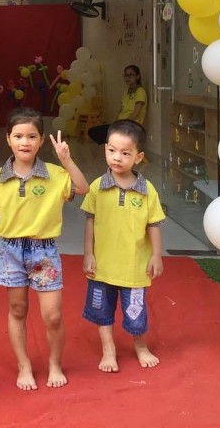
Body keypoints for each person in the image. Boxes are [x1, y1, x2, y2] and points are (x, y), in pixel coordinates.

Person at [0, 107, 90, 391]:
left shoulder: (54, 174)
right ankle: (24, 365)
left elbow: (83, 188)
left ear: (41, 140)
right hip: (11, 251)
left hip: (44, 251)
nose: (24, 142)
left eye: (31, 136)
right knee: (17, 309)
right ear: (8, 139)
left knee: (53, 315)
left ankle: (55, 364)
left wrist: (66, 160)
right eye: (18, 136)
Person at [81, 120, 165, 372]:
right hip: (102, 266)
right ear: (105, 149)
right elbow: (90, 221)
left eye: (125, 153)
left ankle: (140, 346)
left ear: (138, 157)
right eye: (112, 150)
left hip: (134, 267)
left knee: (136, 313)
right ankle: (108, 350)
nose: (117, 157)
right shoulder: (97, 187)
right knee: (102, 310)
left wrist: (157, 255)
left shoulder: (147, 190)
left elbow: (153, 224)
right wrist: (88, 253)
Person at [87, 64, 147, 145]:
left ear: (137, 76)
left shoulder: (140, 92)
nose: (128, 78)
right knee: (93, 131)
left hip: (131, 127)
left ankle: (115, 145)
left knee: (103, 134)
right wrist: (115, 123)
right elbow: (121, 110)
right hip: (120, 124)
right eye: (126, 75)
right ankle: (113, 146)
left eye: (131, 75)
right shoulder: (126, 91)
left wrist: (120, 126)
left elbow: (134, 115)